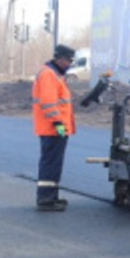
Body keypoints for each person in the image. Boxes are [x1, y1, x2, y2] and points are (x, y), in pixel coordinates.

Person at [31, 44, 76, 211]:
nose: (70, 64)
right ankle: (46, 199)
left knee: (54, 162)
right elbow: (48, 102)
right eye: (68, 60)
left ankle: (51, 196)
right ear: (59, 59)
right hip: (53, 127)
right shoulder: (49, 75)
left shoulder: (54, 74)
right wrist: (58, 124)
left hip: (55, 126)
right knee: (51, 162)